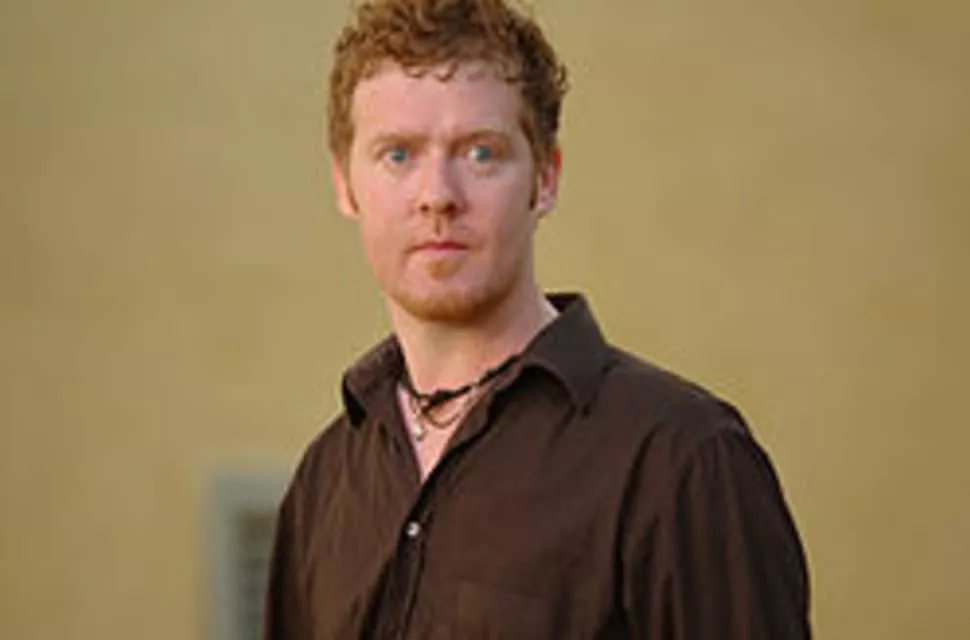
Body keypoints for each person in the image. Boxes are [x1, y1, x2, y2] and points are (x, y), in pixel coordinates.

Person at [264, 0, 811, 637]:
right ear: (344, 184)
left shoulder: (682, 460)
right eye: (398, 155)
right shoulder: (325, 483)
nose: (437, 195)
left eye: (481, 153)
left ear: (545, 179)